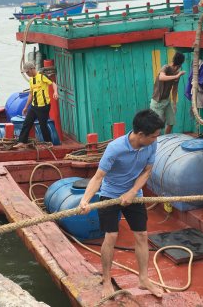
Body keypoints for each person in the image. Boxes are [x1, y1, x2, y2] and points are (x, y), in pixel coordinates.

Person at [78, 109, 164, 298]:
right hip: (110, 195)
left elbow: (147, 172)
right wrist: (84, 201)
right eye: (154, 136)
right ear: (141, 134)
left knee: (142, 234)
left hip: (134, 193)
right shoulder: (115, 148)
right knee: (111, 236)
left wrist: (133, 192)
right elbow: (99, 176)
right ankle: (107, 280)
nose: (156, 139)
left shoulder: (152, 144)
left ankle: (143, 279)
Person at [12, 61, 58, 148]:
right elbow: (30, 94)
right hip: (34, 106)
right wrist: (25, 107)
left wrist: (55, 92)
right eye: (26, 72)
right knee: (27, 123)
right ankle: (22, 141)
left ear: (32, 69)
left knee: (43, 125)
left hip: (43, 106)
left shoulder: (42, 76)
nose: (27, 74)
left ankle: (49, 143)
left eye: (28, 72)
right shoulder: (31, 80)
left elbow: (53, 84)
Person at [149, 52, 185, 134]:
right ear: (177, 65)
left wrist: (174, 104)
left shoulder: (177, 73)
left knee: (171, 122)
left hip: (166, 101)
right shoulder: (165, 67)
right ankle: (157, 144)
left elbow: (175, 90)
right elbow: (161, 77)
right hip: (157, 102)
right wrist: (176, 76)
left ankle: (165, 139)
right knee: (157, 126)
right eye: (178, 66)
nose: (178, 68)